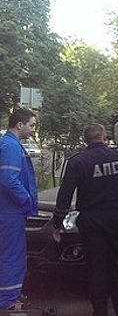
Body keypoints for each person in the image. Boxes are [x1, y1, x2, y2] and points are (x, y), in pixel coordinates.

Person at [52, 123, 118, 316]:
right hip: (116, 219)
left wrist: (57, 224)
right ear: (104, 138)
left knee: (96, 269)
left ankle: (99, 312)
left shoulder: (77, 162)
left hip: (90, 221)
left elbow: (64, 195)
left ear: (86, 140)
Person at [0, 108, 38, 311]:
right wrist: (27, 200)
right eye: (31, 125)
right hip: (10, 212)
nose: (33, 130)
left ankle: (8, 297)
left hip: (7, 210)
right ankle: (8, 301)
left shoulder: (9, 145)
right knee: (12, 256)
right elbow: (9, 179)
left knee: (8, 254)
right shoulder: (11, 147)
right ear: (19, 124)